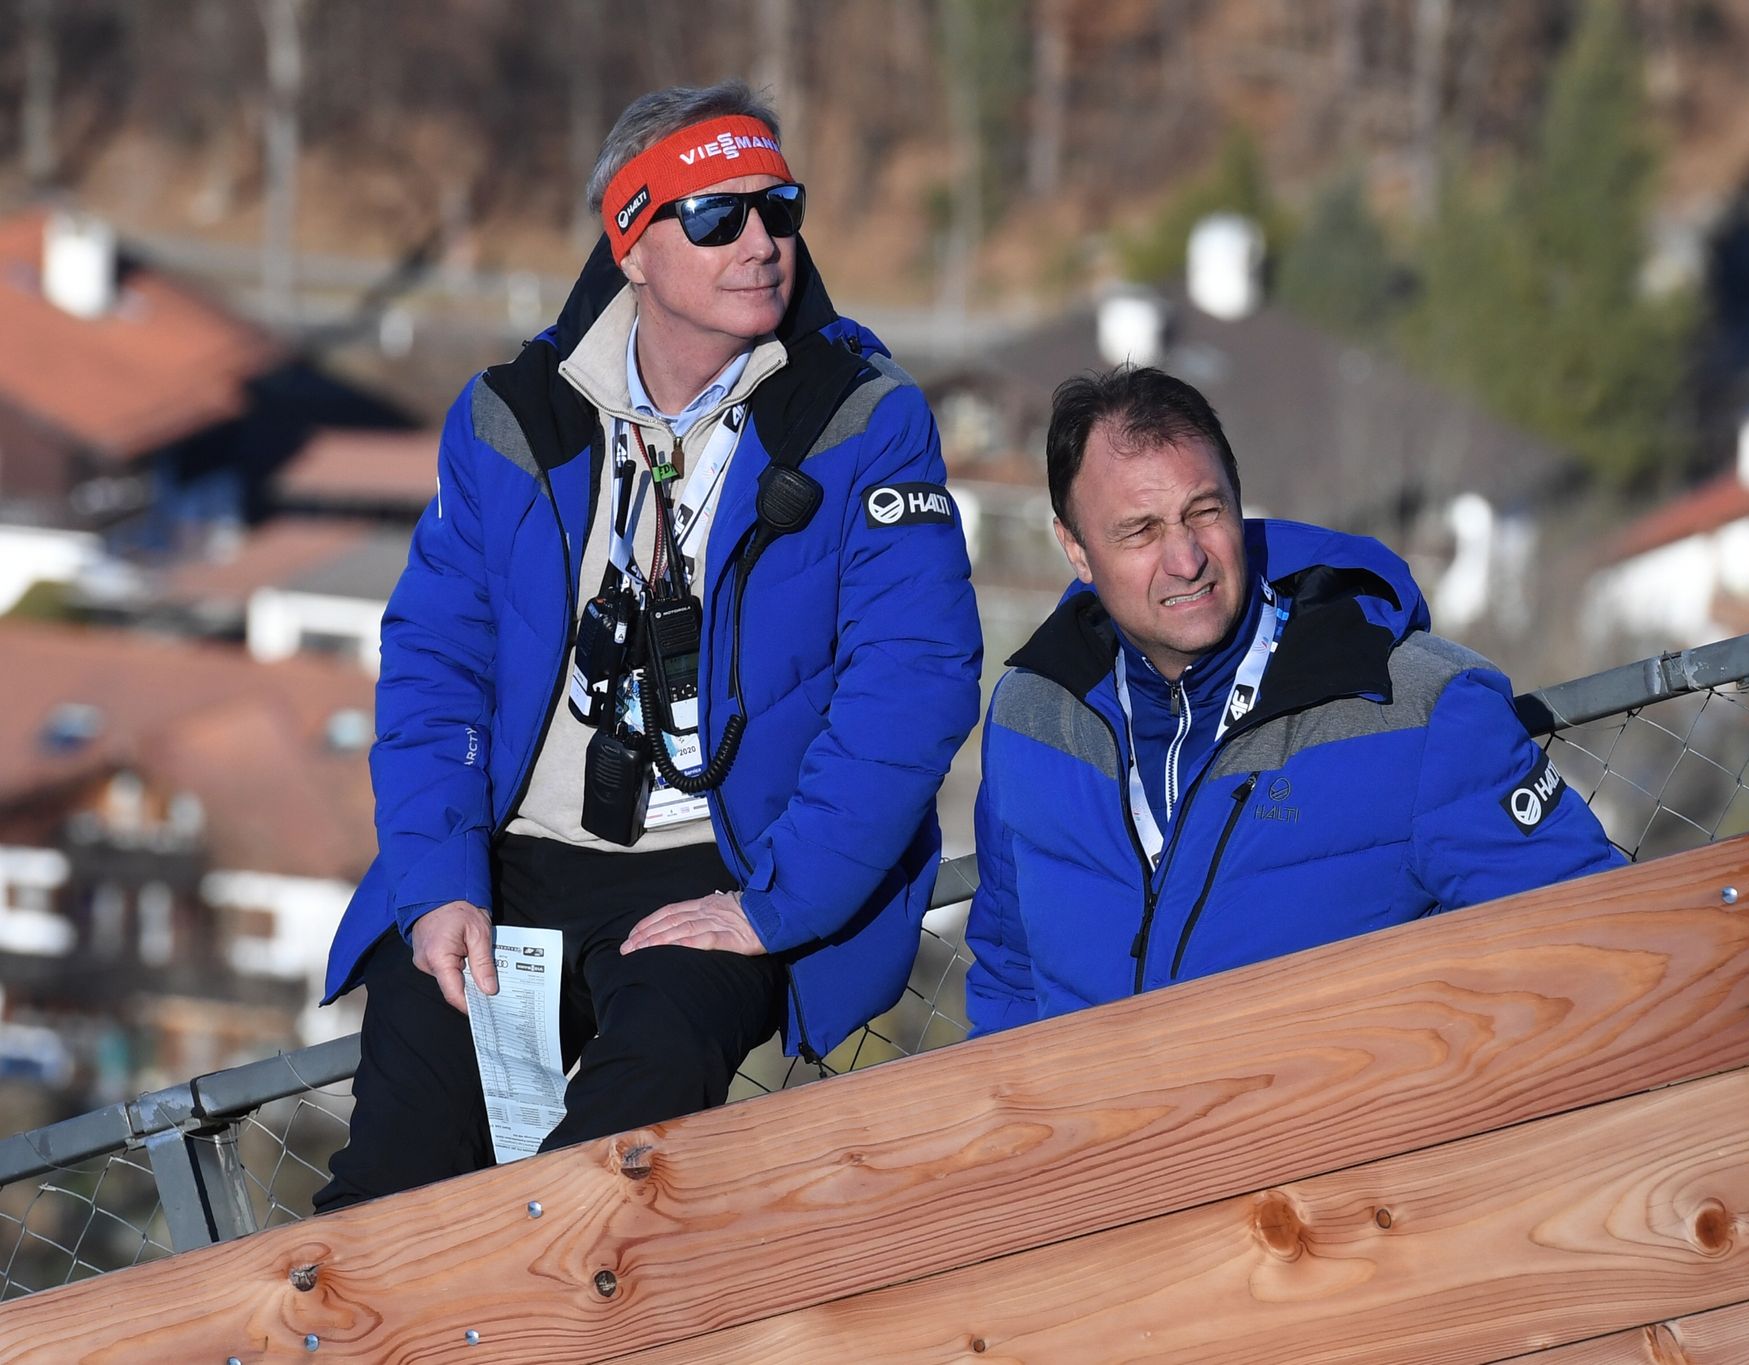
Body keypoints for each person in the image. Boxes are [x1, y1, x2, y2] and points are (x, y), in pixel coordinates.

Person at [315, 81, 981, 1208]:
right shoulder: (510, 420)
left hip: (721, 861)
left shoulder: (861, 417)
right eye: (717, 218)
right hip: (516, 856)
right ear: (630, 243)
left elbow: (911, 684)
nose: (763, 243)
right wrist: (436, 887)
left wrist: (777, 904)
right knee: (389, 1181)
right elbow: (436, 666)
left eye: (781, 210)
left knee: (602, 1180)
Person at [965, 366, 1622, 1032]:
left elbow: (1593, 953)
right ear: (1076, 548)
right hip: (1097, 1132)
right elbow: (1008, 980)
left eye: (1205, 511)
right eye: (1140, 532)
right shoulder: (1030, 718)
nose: (1186, 559)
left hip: (1348, 1128)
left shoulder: (1422, 709)